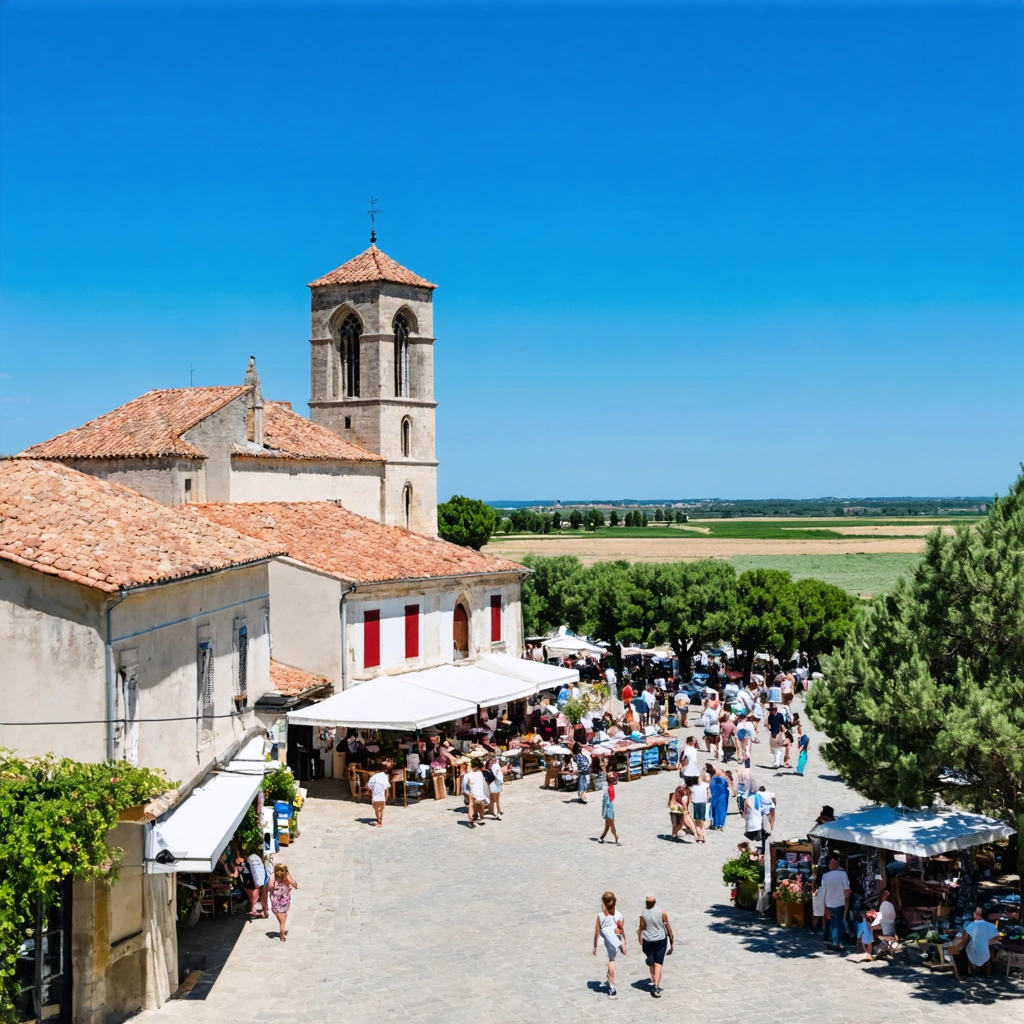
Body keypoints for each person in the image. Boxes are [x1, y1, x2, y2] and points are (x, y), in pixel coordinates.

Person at [637, 895, 674, 997]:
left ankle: (654, 980)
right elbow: (668, 927)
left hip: (648, 940)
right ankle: (656, 986)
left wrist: (640, 938)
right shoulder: (661, 912)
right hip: (661, 939)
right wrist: (672, 940)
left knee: (652, 963)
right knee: (658, 963)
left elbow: (641, 927)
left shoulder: (643, 913)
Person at [593, 891, 625, 999]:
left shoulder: (601, 916)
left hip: (606, 941)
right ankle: (609, 978)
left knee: (611, 962)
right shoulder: (619, 915)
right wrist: (623, 941)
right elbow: (621, 930)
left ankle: (612, 987)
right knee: (612, 960)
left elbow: (597, 931)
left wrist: (595, 946)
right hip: (616, 941)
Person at [820, 857, 852, 950]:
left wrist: (825, 906)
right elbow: (847, 888)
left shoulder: (825, 876)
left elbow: (823, 892)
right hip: (840, 902)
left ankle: (835, 941)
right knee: (838, 923)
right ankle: (837, 942)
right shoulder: (843, 874)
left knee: (833, 923)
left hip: (829, 903)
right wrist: (843, 898)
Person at [957, 906, 1001, 974]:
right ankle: (985, 971)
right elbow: (996, 939)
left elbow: (965, 940)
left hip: (975, 951)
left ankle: (968, 970)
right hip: (988, 952)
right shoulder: (992, 926)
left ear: (975, 914)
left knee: (964, 947)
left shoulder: (972, 925)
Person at [267, 863, 298, 942]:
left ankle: (282, 930)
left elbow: (270, 887)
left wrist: (273, 892)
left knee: (280, 917)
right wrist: (289, 876)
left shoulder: (273, 876)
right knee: (283, 918)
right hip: (284, 899)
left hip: (275, 899)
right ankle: (282, 934)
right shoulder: (285, 876)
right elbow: (295, 885)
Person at [463, 759, 489, 827]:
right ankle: (477, 819)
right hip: (478, 794)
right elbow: (484, 785)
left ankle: (473, 820)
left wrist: (466, 793)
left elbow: (464, 786)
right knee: (477, 807)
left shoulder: (468, 775)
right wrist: (486, 794)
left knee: (471, 806)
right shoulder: (480, 773)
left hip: (471, 793)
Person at [367, 761, 391, 827]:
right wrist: (386, 799)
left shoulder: (373, 777)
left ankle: (378, 820)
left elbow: (368, 787)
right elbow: (387, 790)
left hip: (375, 798)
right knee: (382, 810)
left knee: (376, 811)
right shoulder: (384, 777)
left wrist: (371, 794)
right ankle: (380, 820)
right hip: (382, 798)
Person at [599, 771, 621, 845]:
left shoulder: (609, 785)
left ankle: (611, 837)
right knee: (609, 824)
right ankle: (612, 837)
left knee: (609, 824)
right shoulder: (606, 784)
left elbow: (608, 798)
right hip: (607, 805)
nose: (609, 773)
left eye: (612, 774)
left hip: (609, 806)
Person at [688, 776, 708, 843]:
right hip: (703, 802)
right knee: (701, 821)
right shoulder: (704, 785)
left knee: (697, 821)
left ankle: (700, 836)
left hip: (695, 803)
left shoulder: (692, 787)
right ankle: (702, 835)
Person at [487, 755, 505, 819]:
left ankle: (493, 810)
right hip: (496, 783)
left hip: (494, 783)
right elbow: (497, 776)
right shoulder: (495, 766)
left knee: (494, 798)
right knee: (496, 799)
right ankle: (498, 812)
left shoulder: (494, 766)